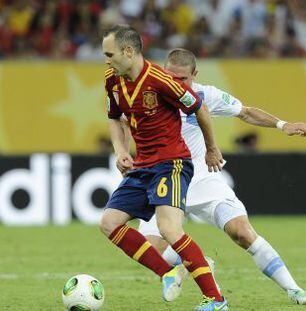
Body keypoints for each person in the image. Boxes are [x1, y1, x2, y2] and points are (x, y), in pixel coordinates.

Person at [134, 48, 306, 305]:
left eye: (183, 79)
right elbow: (121, 120)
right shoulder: (150, 96)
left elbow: (245, 111)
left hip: (201, 178)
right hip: (165, 181)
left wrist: (282, 125)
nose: (176, 84)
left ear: (195, 75)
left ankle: (294, 289)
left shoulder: (205, 95)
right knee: (151, 248)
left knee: (241, 231)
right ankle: (198, 266)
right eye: (171, 77)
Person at [100, 25, 229, 311]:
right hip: (142, 164)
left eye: (109, 54)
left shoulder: (162, 80)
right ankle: (168, 273)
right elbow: (113, 116)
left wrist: (211, 148)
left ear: (129, 51)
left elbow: (200, 109)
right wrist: (121, 151)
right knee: (109, 223)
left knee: (168, 227)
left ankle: (217, 300)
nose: (106, 60)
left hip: (171, 162)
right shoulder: (112, 79)